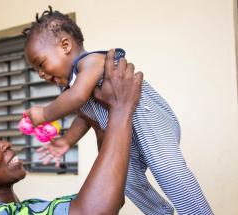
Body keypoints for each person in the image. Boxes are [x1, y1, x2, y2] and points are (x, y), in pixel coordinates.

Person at [23, 6, 213, 215]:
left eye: (41, 63)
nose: (41, 73)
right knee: (127, 180)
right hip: (126, 134)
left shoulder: (92, 62)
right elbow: (85, 119)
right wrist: (67, 141)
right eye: (36, 70)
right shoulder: (74, 86)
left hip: (149, 121)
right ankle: (160, 212)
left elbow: (76, 96)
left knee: (167, 170)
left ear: (65, 45)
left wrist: (44, 114)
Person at [0, 50, 142, 215]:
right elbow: (94, 211)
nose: (5, 144)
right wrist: (121, 110)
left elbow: (109, 197)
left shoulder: (29, 208)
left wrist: (97, 119)